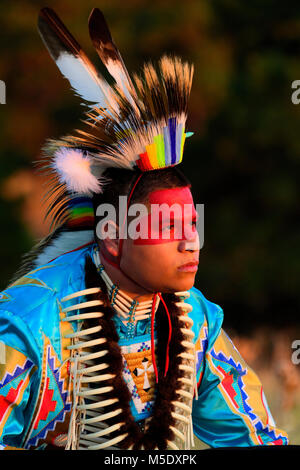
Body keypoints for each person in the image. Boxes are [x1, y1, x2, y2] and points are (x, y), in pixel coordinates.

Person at [0, 7, 288, 450]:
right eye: (168, 225)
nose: (191, 241)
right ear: (113, 235)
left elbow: (257, 439)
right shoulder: (27, 325)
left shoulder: (196, 325)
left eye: (194, 223)